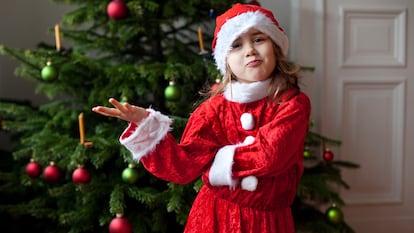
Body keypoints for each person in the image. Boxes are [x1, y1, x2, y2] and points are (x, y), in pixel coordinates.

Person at [92, 3, 311, 233]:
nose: (250, 51)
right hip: (215, 218)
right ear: (225, 61)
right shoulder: (214, 109)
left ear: (275, 47)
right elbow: (182, 166)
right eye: (236, 45)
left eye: (258, 39)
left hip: (268, 222)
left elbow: (271, 155)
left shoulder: (292, 103)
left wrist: (221, 162)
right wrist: (145, 123)